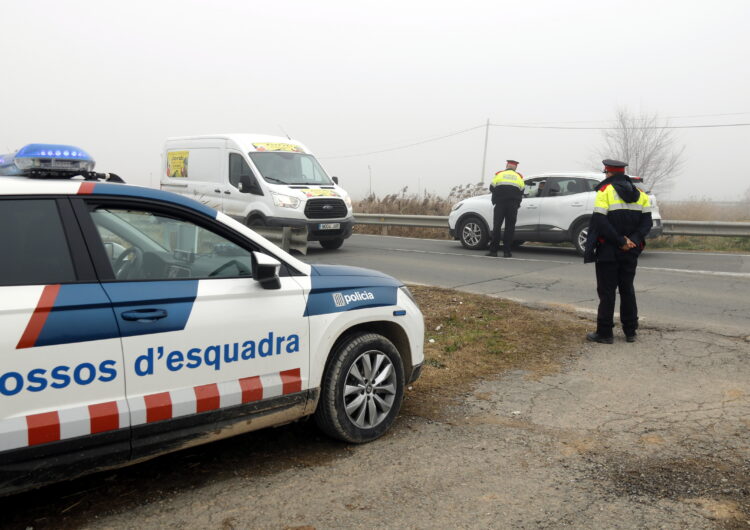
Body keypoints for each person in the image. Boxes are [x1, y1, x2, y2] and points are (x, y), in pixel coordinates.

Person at [584, 159, 653, 343]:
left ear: (609, 173)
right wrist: (633, 240)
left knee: (607, 292)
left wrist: (620, 240)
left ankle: (605, 333)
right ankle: (630, 331)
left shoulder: (605, 191)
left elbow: (600, 221)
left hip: (609, 249)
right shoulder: (641, 194)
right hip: (631, 250)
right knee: (627, 289)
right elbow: (647, 223)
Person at [486, 159, 525, 257]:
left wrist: (500, 194)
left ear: (507, 166)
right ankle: (507, 252)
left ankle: (493, 251)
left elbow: (491, 187)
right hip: (512, 205)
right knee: (510, 228)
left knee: (497, 226)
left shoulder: (499, 174)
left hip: (500, 204)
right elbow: (522, 190)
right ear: (515, 167)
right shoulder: (519, 177)